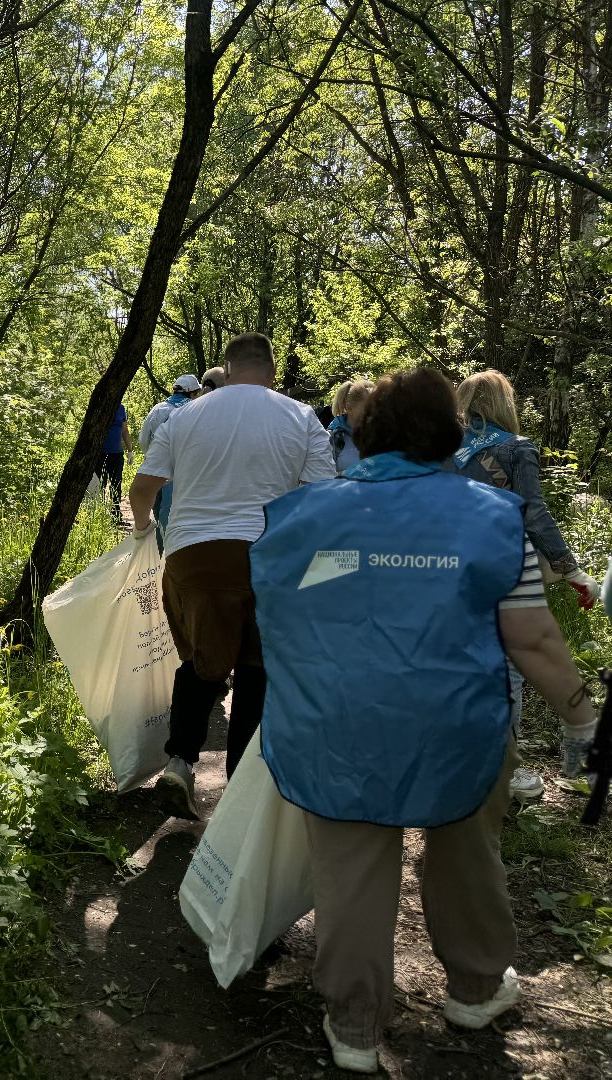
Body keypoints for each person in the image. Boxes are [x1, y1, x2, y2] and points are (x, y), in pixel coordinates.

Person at [249, 368, 598, 1073]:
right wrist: (581, 717)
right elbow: (531, 638)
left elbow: (280, 617)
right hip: (458, 723)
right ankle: (473, 990)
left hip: (336, 724)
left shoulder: (300, 514)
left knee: (350, 873)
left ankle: (353, 1027)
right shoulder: (494, 517)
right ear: (450, 433)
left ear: (365, 433)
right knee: (467, 853)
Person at [128, 333, 335, 819]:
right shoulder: (300, 416)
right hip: (271, 557)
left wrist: (144, 532)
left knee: (202, 662)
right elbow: (326, 498)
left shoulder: (185, 416)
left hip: (195, 556)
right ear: (272, 372)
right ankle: (241, 790)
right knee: (258, 669)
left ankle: (179, 762)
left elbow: (142, 490)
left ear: (226, 367)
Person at [455, 369, 600, 802]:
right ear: (505, 405)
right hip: (503, 571)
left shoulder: (443, 450)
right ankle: (505, 770)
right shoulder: (516, 449)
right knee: (509, 670)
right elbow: (532, 514)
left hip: (444, 571)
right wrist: (571, 570)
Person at [137, 374, 204, 545]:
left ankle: (159, 555)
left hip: (155, 471)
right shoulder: (196, 410)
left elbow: (143, 439)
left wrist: (152, 458)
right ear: (193, 392)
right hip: (182, 473)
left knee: (159, 513)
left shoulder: (158, 409)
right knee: (173, 517)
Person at [96, 398, 134, 520]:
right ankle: (99, 515)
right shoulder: (99, 406)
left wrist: (130, 451)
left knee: (116, 485)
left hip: (116, 454)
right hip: (100, 454)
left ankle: (116, 515)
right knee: (100, 486)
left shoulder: (121, 408)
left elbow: (124, 431)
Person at [327, 378, 374, 474]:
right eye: (367, 410)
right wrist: (350, 474)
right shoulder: (332, 439)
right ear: (349, 408)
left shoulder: (383, 437)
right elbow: (319, 478)